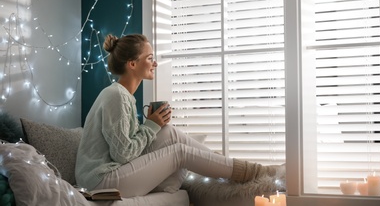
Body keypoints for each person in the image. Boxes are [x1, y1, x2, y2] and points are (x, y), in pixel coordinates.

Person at [75, 33, 281, 198]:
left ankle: (230, 165)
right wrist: (150, 126)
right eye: (149, 58)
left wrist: (151, 126)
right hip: (101, 181)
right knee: (179, 152)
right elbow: (123, 154)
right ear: (132, 64)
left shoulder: (124, 96)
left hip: (113, 174)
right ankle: (254, 172)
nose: (154, 63)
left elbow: (126, 148)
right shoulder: (116, 95)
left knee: (169, 132)